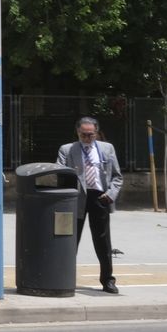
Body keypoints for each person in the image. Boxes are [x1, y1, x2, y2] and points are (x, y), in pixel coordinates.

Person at [58, 116, 122, 294]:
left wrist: (110, 195)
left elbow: (117, 176)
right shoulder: (67, 150)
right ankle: (65, 278)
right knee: (70, 241)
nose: (87, 138)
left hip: (100, 197)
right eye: (83, 135)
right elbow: (60, 173)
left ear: (97, 133)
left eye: (90, 135)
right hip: (76, 198)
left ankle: (108, 280)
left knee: (103, 242)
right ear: (77, 133)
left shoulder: (107, 148)